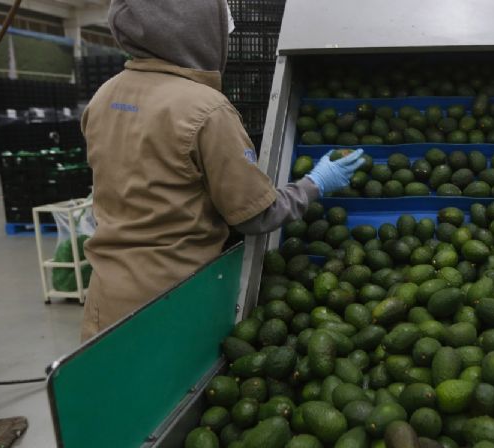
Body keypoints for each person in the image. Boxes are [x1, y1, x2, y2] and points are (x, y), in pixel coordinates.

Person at [79, 0, 363, 340]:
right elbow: (255, 216)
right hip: (174, 298)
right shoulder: (205, 109)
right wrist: (314, 184)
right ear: (195, 31)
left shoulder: (104, 96)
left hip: (106, 294)